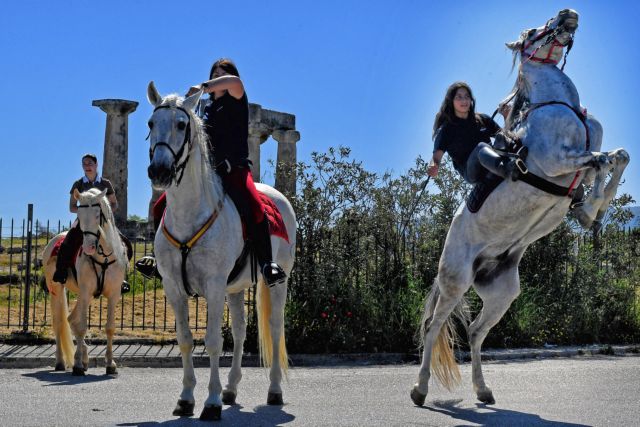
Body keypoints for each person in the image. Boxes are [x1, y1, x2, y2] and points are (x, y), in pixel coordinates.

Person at [136, 58, 287, 286]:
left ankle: (268, 264)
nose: (218, 77)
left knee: (255, 206)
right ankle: (158, 260)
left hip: (235, 170)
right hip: (208, 174)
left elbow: (234, 81)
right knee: (159, 206)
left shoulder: (237, 97)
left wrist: (203, 86)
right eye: (215, 73)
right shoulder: (205, 110)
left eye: (222, 74)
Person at [52, 154, 130, 292]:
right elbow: (72, 207)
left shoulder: (105, 183)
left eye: (90, 163)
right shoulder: (78, 184)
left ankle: (122, 278)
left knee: (126, 244)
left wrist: (104, 212)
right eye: (84, 164)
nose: (87, 166)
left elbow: (114, 204)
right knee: (67, 243)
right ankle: (61, 273)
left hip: (103, 222)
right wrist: (85, 212)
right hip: (83, 222)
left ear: (96, 165)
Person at [427, 82, 516, 183]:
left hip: (492, 158)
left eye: (467, 96)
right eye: (459, 97)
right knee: (481, 147)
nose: (464, 100)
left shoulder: (482, 119)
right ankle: (508, 170)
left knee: (501, 137)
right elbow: (436, 158)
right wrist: (433, 166)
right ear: (451, 101)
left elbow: (505, 135)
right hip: (471, 172)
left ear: (471, 99)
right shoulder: (446, 130)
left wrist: (506, 116)